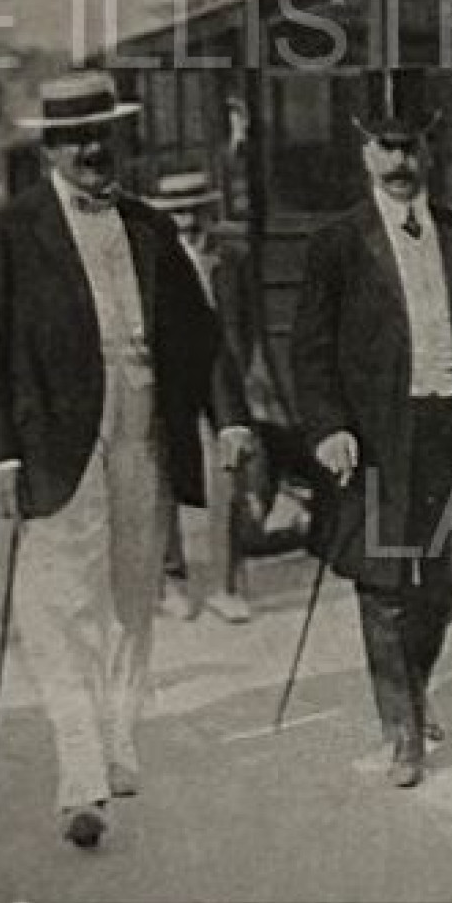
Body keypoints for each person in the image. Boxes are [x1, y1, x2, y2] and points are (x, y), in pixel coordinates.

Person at [0, 72, 251, 849]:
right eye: (76, 137)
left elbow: (202, 337)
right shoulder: (13, 232)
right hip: (56, 439)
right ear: (51, 147)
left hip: (143, 431)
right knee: (58, 604)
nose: (93, 149)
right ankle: (79, 765)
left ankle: (119, 737)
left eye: (105, 135)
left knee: (129, 594)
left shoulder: (150, 227)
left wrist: (230, 419)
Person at [291, 82, 452, 788]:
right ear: (364, 153)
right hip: (378, 433)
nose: (399, 161)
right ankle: (402, 730)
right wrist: (327, 426)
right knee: (384, 579)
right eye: (385, 147)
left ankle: (413, 690)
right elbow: (310, 348)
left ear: (429, 151)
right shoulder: (335, 244)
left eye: (411, 146)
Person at [147, 170, 284, 625]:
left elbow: (250, 321)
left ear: (207, 210)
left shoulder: (231, 256)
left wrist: (248, 375)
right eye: (176, 213)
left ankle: (227, 584)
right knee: (162, 476)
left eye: (193, 211)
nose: (186, 221)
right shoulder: (151, 256)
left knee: (229, 474)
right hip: (171, 377)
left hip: (224, 374)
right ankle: (172, 581)